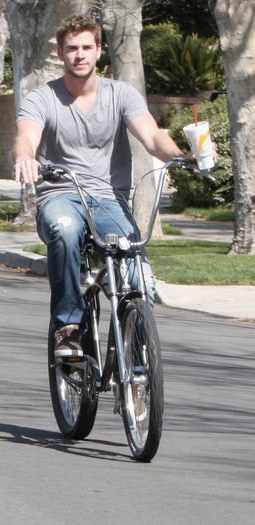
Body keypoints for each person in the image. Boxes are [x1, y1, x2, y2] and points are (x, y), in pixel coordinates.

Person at [13, 16, 189, 359]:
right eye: (72, 49)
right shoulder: (43, 97)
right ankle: (69, 326)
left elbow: (152, 136)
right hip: (60, 194)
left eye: (86, 48)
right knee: (64, 232)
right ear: (62, 54)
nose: (79, 55)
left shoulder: (121, 94)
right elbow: (26, 136)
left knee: (134, 268)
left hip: (109, 198)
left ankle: (135, 341)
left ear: (99, 52)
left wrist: (181, 157)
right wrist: (25, 157)